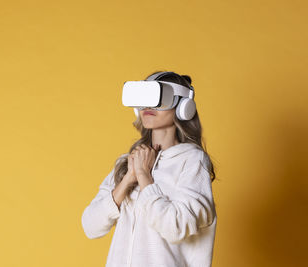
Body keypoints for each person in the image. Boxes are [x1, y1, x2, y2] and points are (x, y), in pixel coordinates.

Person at [81, 71, 217, 267]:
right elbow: (90, 226)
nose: (149, 106)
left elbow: (175, 227)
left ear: (183, 107)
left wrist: (145, 177)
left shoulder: (192, 161)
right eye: (144, 98)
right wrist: (129, 178)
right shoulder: (128, 162)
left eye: (161, 99)